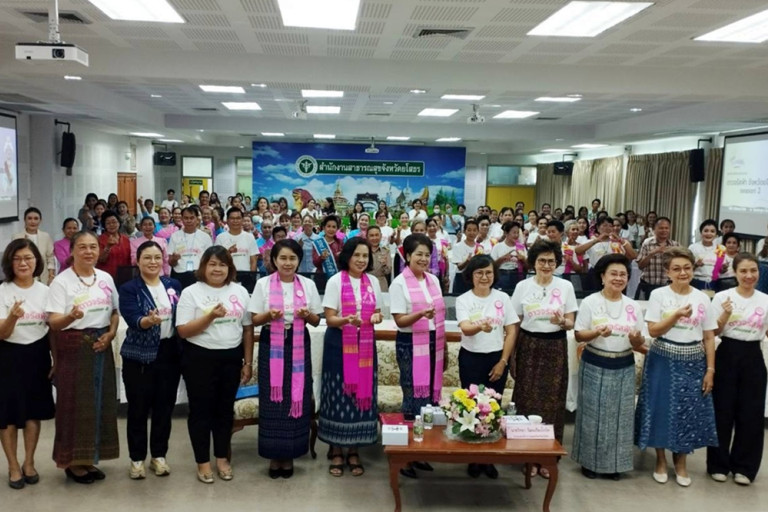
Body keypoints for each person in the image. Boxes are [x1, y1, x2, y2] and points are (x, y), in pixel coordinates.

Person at [635, 247, 718, 487]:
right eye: (677, 269)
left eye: (687, 268)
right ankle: (660, 460)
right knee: (659, 408)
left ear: (693, 270)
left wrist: (710, 370)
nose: (683, 273)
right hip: (662, 358)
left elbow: (709, 336)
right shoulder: (659, 295)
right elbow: (653, 331)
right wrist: (675, 316)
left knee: (687, 411)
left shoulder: (702, 298)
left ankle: (681, 462)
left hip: (693, 360)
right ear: (667, 272)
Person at [46, 230, 120, 484]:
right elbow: (54, 322)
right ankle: (72, 462)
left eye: (93, 247)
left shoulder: (106, 278)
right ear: (72, 251)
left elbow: (115, 312)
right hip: (73, 347)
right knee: (74, 406)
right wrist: (70, 317)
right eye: (82, 247)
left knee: (99, 404)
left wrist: (111, 334)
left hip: (101, 345)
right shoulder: (61, 282)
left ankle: (89, 458)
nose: (89, 251)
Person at [176, 246, 253, 484]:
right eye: (212, 264)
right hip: (199, 358)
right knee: (201, 411)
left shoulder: (240, 291)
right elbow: (183, 331)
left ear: (229, 268)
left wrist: (247, 362)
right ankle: (203, 462)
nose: (217, 269)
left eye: (222, 264)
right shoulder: (191, 292)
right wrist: (210, 316)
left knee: (224, 410)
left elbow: (247, 328)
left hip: (231, 357)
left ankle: (221, 458)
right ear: (203, 266)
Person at [248, 239, 322, 479]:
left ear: (299, 261)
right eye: (283, 258)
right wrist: (269, 315)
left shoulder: (308, 285)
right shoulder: (263, 284)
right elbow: (254, 319)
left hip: (299, 342)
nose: (287, 263)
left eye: (292, 258)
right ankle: (273, 455)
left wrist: (307, 314)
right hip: (271, 342)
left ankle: (289, 455)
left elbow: (316, 321)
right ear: (274, 260)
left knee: (296, 396)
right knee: (272, 397)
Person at [572, 254, 645, 480]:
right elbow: (579, 334)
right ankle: (590, 463)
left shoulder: (633, 306)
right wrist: (595, 332)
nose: (618, 278)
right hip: (595, 361)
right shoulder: (590, 302)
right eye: (613, 273)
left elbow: (639, 342)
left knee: (621, 416)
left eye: (623, 274)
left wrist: (636, 339)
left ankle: (615, 465)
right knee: (592, 414)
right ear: (602, 276)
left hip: (624, 363)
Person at [510, 240, 578, 477]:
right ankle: (526, 456)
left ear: (557, 263)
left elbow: (571, 322)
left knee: (552, 401)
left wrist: (562, 322)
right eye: (542, 261)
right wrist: (511, 355)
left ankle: (547, 457)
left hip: (555, 347)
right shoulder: (522, 287)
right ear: (533, 263)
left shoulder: (565, 286)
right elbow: (514, 324)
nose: (546, 265)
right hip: (528, 345)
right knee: (526, 399)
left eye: (551, 261)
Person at [319, 238, 384, 477]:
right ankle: (336, 449)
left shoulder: (373, 282)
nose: (361, 260)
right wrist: (346, 320)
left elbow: (377, 312)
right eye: (357, 255)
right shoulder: (335, 281)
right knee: (338, 393)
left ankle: (354, 450)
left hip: (365, 343)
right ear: (347, 256)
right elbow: (330, 318)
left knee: (361, 394)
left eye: (365, 256)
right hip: (338, 343)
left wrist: (375, 318)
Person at [119, 242, 182, 480]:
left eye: (157, 257)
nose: (153, 262)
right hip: (139, 355)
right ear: (138, 261)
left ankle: (159, 456)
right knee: (138, 408)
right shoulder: (129, 288)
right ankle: (137, 459)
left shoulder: (173, 284)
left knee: (164, 407)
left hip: (169, 353)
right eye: (147, 257)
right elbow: (133, 318)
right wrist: (148, 321)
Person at [455, 254, 519, 479]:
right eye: (479, 273)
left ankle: (489, 457)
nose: (484, 277)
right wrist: (479, 327)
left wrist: (503, 361)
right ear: (471, 276)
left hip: (496, 359)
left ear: (494, 274)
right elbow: (465, 328)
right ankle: (473, 457)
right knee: (472, 407)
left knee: (493, 407)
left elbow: (511, 330)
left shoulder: (503, 298)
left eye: (488, 272)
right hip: (471, 359)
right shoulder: (463, 299)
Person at [707, 253, 768, 486]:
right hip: (727, 354)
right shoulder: (722, 297)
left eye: (753, 270)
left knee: (751, 413)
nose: (749, 275)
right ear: (734, 272)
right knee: (722, 411)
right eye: (743, 271)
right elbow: (713, 332)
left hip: (753, 355)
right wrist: (725, 313)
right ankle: (718, 465)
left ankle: (744, 467)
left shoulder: (765, 300)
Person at [390, 233, 446, 479]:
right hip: (410, 343)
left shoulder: (433, 280)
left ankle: (422, 450)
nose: (423, 259)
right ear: (407, 256)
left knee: (429, 401)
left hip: (435, 342)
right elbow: (400, 321)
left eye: (427, 255)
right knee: (412, 397)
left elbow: (439, 315)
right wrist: (421, 314)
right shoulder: (399, 283)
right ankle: (406, 456)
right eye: (418, 254)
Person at [0, 240, 55, 490]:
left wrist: (56, 359)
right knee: (8, 415)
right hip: (8, 356)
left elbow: (52, 330)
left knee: (34, 412)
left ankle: (29, 462)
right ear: (9, 263)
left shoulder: (46, 291)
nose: (23, 263)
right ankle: (13, 466)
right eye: (17, 258)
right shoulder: (3, 291)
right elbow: (2, 334)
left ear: (37, 261)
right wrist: (12, 317)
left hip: (37, 355)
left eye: (28, 258)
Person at [167, 206, 212, 289]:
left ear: (197, 219)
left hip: (199, 275)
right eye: (186, 218)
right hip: (180, 274)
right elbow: (170, 263)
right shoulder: (175, 236)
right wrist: (174, 259)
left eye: (192, 218)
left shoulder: (205, 237)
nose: (189, 221)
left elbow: (210, 259)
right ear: (182, 219)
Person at [636, 217, 679, 299]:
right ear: (654, 229)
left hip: (667, 286)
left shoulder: (675, 245)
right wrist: (652, 253)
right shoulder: (647, 243)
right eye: (661, 228)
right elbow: (640, 266)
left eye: (666, 228)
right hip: (647, 285)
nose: (664, 230)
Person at [13, 207, 56, 284]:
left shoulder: (46, 236)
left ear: (40, 220)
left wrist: (51, 276)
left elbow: (50, 257)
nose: (33, 221)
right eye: (29, 218)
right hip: (24, 277)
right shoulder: (17, 237)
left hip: (43, 278)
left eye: (36, 218)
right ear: (24, 220)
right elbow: (14, 259)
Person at [215, 208, 259, 273]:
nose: (235, 221)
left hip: (246, 275)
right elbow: (217, 259)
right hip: (226, 275)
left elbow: (253, 260)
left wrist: (252, 276)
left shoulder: (250, 237)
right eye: (232, 218)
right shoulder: (220, 238)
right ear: (227, 220)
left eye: (238, 218)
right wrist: (228, 252)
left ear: (242, 220)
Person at [689, 219, 728, 292]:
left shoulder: (720, 249)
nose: (709, 234)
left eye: (712, 231)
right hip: (696, 282)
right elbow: (686, 267)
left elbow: (721, 271)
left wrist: (723, 268)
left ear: (716, 234)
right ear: (701, 233)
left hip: (714, 283)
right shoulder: (693, 247)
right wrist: (696, 265)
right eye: (706, 231)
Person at [97, 211, 131, 282]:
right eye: (108, 223)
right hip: (106, 278)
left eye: (114, 222)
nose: (111, 225)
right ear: (104, 225)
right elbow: (100, 260)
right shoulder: (99, 239)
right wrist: (108, 247)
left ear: (119, 223)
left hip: (125, 277)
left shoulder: (126, 239)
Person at [452, 219, 480, 295]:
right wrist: (467, 261)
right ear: (464, 231)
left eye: (474, 230)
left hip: (476, 278)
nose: (472, 233)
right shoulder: (458, 246)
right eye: (469, 230)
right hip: (461, 278)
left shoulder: (480, 247)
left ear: (478, 232)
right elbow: (459, 267)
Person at [367, 225, 391, 292]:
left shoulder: (385, 251)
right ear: (367, 237)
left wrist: (385, 264)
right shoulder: (364, 251)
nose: (374, 238)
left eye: (377, 235)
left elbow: (388, 271)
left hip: (381, 284)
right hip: (366, 282)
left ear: (381, 236)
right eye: (371, 235)